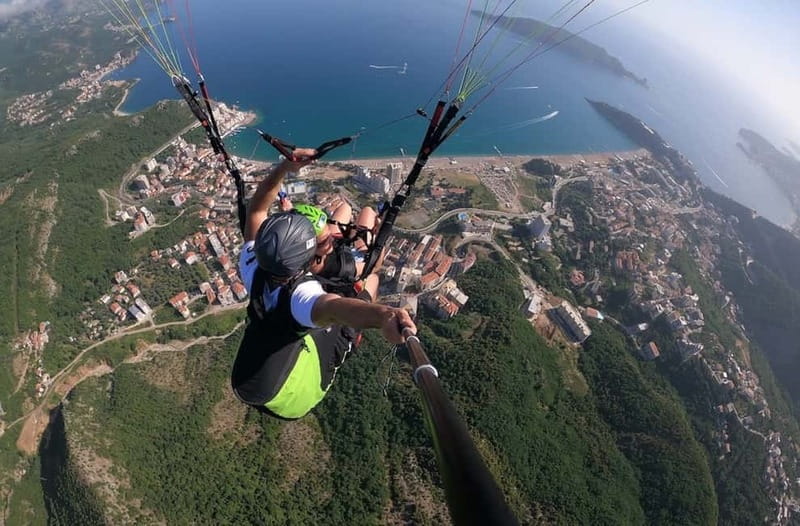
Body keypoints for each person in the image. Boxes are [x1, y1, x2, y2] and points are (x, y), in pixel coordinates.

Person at [231, 150, 416, 420]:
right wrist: (384, 315)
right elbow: (336, 309)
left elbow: (257, 209)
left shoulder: (254, 261)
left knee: (360, 265)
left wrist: (284, 168)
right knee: (371, 280)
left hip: (261, 364)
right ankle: (347, 333)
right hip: (299, 386)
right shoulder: (300, 297)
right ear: (309, 258)